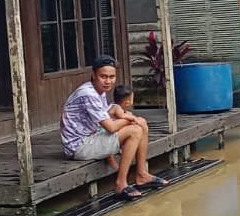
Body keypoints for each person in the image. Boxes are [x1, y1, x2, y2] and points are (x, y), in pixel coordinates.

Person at [60, 56, 166, 200]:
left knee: (140, 125)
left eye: (112, 77)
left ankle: (142, 174)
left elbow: (107, 113)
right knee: (135, 129)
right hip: (79, 146)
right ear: (93, 75)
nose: (108, 81)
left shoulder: (99, 91)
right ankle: (121, 184)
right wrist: (130, 118)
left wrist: (119, 110)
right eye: (103, 76)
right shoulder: (88, 93)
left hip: (91, 137)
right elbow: (110, 127)